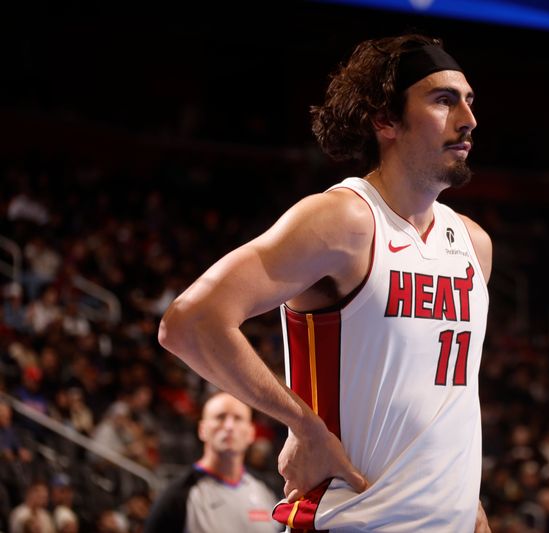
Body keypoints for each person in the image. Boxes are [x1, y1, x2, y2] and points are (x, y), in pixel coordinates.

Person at [159, 33, 492, 532]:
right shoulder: (344, 221)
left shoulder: (474, 244)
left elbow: (450, 400)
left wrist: (470, 508)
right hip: (349, 521)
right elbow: (190, 321)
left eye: (468, 101)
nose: (468, 119)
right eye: (444, 101)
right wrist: (305, 427)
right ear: (386, 120)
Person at [143, 392, 281, 532]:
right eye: (220, 417)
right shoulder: (178, 496)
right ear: (202, 430)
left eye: (238, 418)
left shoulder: (267, 489)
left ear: (251, 433)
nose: (229, 426)